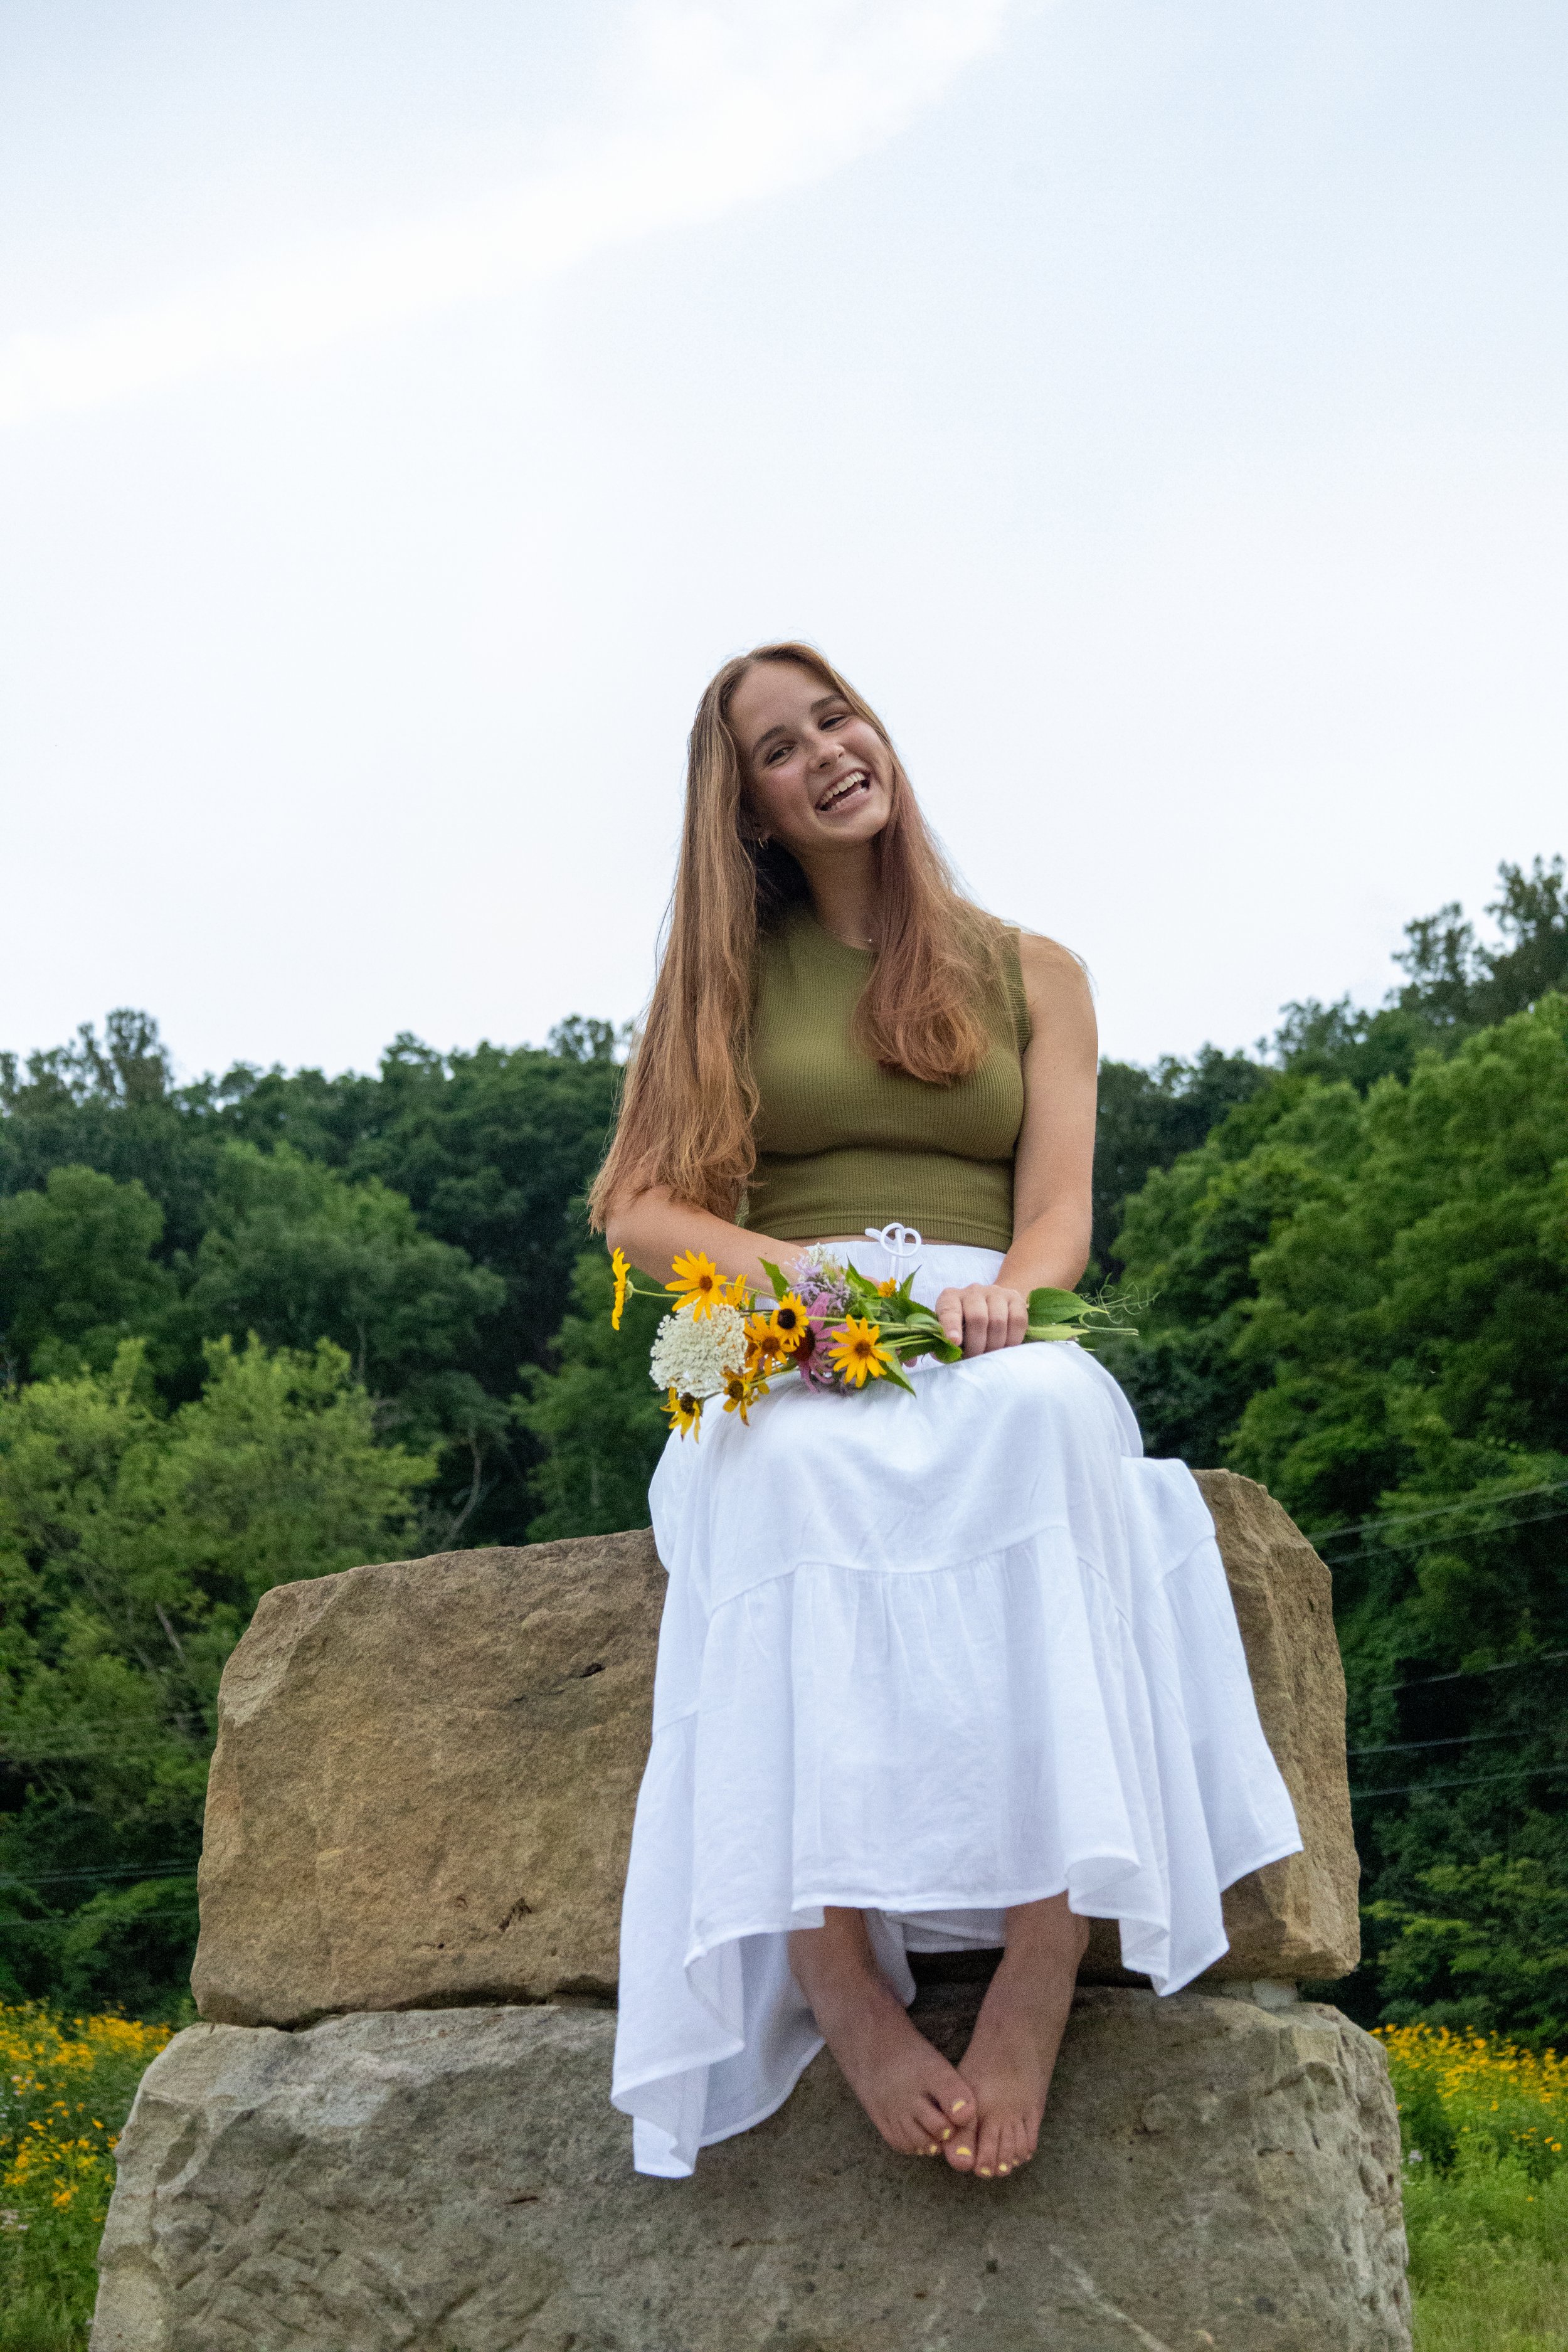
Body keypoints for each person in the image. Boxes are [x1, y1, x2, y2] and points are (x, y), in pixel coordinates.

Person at [592, 641, 1300, 2182]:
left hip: (986, 1329)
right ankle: (834, 1973)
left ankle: (1038, 1972)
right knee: (779, 1474)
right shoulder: (718, 978)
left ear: (876, 730)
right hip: (789, 1323)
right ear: (751, 811)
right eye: (779, 749)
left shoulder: (1031, 968)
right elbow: (639, 1208)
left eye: (833, 715)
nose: (825, 752)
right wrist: (790, 1282)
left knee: (1052, 1424)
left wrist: (1005, 1304)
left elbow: (1055, 1221)